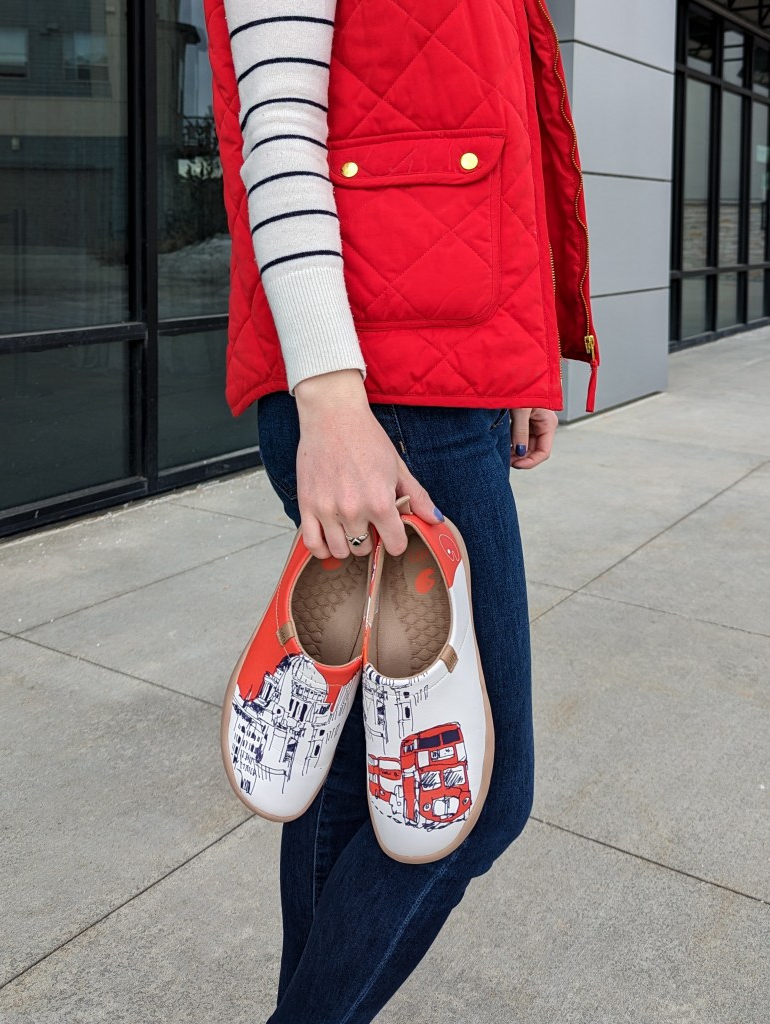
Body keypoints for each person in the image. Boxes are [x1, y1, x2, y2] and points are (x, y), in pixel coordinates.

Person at [204, 0, 600, 1020]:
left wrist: (521, 357)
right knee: (474, 804)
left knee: (356, 795)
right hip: (383, 395)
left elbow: (474, 124)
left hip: (434, 376)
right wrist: (331, 397)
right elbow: (278, 118)